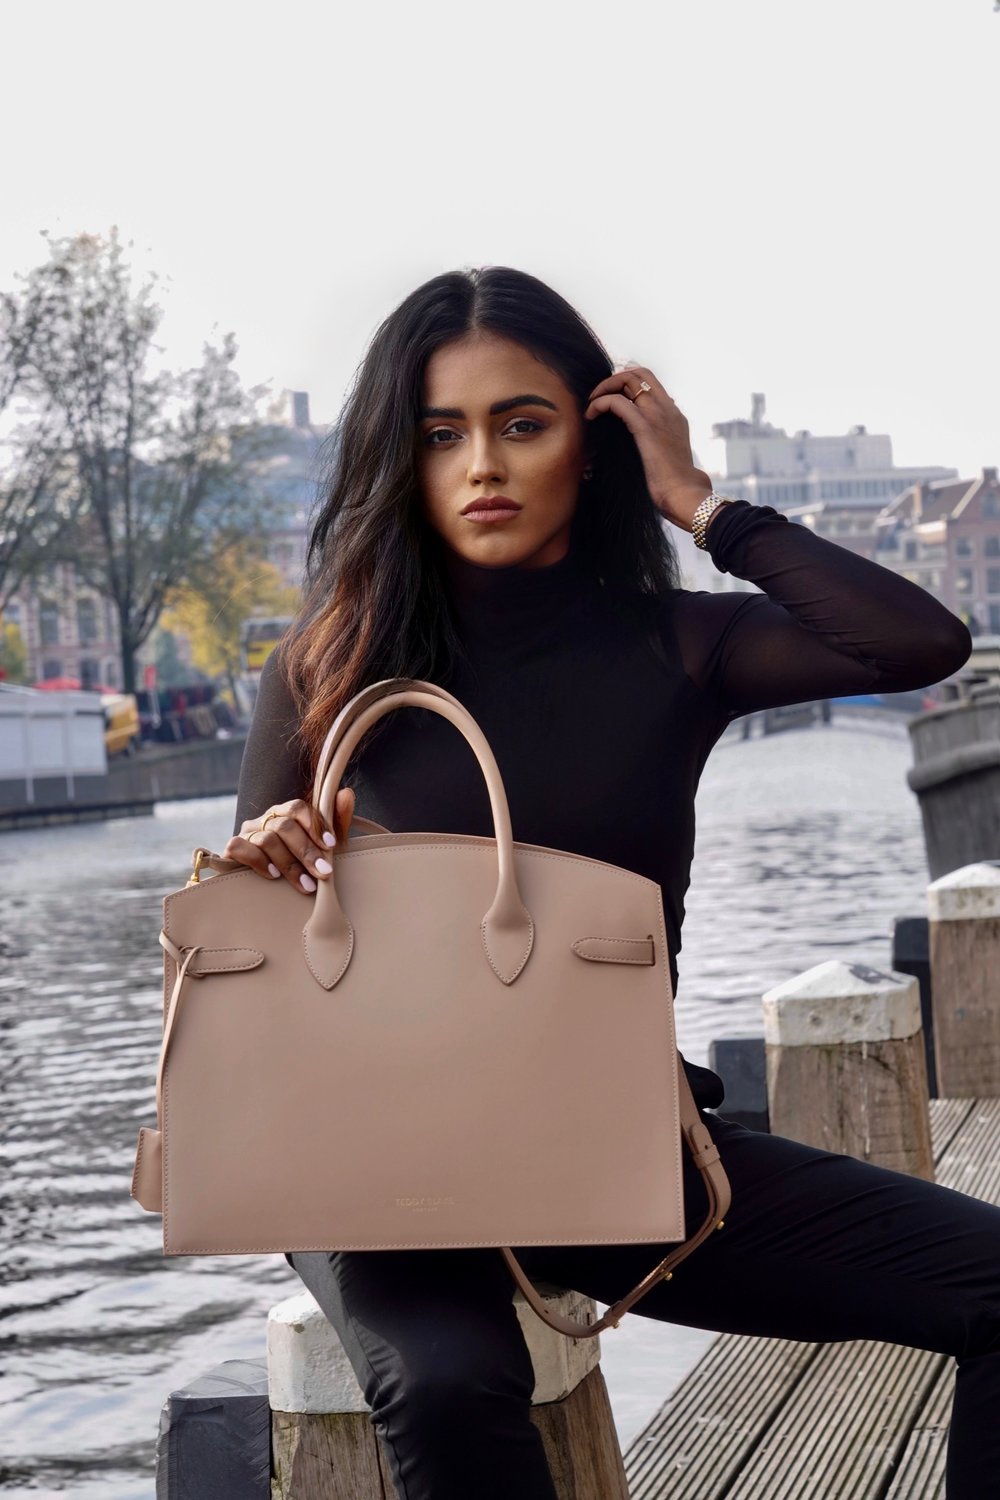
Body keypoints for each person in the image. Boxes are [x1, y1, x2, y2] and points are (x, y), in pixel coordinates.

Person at [227, 266, 998, 1500]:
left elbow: (916, 644)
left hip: (614, 1144)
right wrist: (264, 850)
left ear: (588, 447)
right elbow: (250, 966)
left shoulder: (673, 646)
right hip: (370, 1161)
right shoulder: (328, 667)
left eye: (519, 424)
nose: (481, 464)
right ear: (401, 461)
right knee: (444, 1379)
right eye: (441, 435)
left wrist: (701, 503)